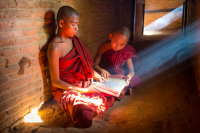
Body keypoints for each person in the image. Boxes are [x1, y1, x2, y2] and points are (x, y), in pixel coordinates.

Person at [47, 6, 115, 127]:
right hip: (68, 89)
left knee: (113, 86)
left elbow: (85, 64)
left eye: (77, 24)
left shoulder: (75, 40)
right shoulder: (55, 48)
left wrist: (95, 75)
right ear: (61, 23)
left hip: (85, 81)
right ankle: (87, 106)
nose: (77, 28)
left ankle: (91, 101)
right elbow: (55, 81)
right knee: (83, 115)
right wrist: (84, 90)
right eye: (74, 24)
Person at [93, 25, 140, 95]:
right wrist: (101, 70)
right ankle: (123, 88)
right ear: (110, 36)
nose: (117, 47)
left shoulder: (127, 50)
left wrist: (128, 77)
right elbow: (94, 64)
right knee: (94, 75)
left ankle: (122, 87)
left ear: (126, 42)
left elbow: (131, 71)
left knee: (136, 78)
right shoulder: (103, 47)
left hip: (120, 75)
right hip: (107, 74)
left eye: (122, 44)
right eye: (115, 42)